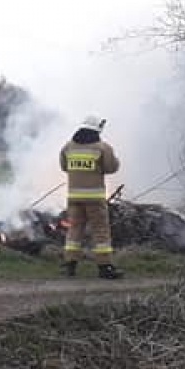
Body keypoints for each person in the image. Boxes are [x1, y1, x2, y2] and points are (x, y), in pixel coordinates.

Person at [60, 115, 123, 279]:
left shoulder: (68, 147)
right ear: (97, 130)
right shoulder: (102, 148)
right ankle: (105, 267)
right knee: (100, 230)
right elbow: (111, 167)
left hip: (74, 197)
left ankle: (69, 265)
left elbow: (64, 167)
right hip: (94, 198)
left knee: (74, 229)